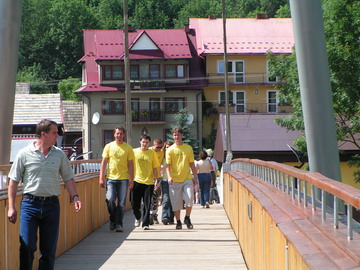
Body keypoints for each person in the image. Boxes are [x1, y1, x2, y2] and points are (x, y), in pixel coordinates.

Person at [7, 119, 82, 269]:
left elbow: (68, 178)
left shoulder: (59, 155)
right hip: (30, 204)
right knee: (27, 246)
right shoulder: (24, 154)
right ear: (43, 134)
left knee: (48, 251)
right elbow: (13, 181)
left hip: (51, 205)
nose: (57, 136)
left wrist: (75, 197)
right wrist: (11, 207)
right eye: (54, 133)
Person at [99, 126, 134, 232]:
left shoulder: (128, 148)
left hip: (123, 178)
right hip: (111, 178)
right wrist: (101, 177)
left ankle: (119, 224)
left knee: (121, 203)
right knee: (110, 199)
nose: (119, 135)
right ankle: (113, 219)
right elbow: (104, 162)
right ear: (114, 134)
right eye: (117, 133)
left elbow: (131, 165)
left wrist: (131, 179)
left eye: (121, 133)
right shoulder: (109, 146)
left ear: (123, 135)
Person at [166, 127, 197, 229]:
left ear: (182, 135)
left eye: (178, 135)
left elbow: (191, 163)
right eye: (175, 135)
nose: (176, 137)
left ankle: (187, 217)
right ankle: (178, 221)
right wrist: (169, 177)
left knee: (190, 198)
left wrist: (195, 176)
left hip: (187, 178)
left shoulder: (188, 148)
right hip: (174, 179)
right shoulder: (170, 149)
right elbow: (168, 165)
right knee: (176, 203)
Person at [131, 135, 160, 230]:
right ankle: (138, 217)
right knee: (134, 203)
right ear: (140, 142)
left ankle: (145, 223)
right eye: (143, 142)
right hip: (136, 180)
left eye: (147, 142)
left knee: (147, 203)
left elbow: (155, 167)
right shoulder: (134, 152)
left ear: (149, 143)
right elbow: (129, 165)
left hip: (148, 182)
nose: (145, 144)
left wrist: (156, 180)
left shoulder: (152, 153)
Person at [149, 138, 164, 225]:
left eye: (160, 147)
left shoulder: (162, 152)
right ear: (153, 145)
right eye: (157, 147)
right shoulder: (149, 151)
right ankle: (148, 214)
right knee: (148, 197)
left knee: (155, 197)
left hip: (157, 177)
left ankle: (154, 214)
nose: (159, 149)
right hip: (147, 177)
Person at [160, 141, 174, 225]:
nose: (167, 148)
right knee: (166, 199)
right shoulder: (162, 157)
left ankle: (171, 217)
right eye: (166, 147)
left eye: (169, 147)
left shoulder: (174, 157)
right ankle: (164, 217)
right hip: (165, 180)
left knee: (173, 200)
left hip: (174, 180)